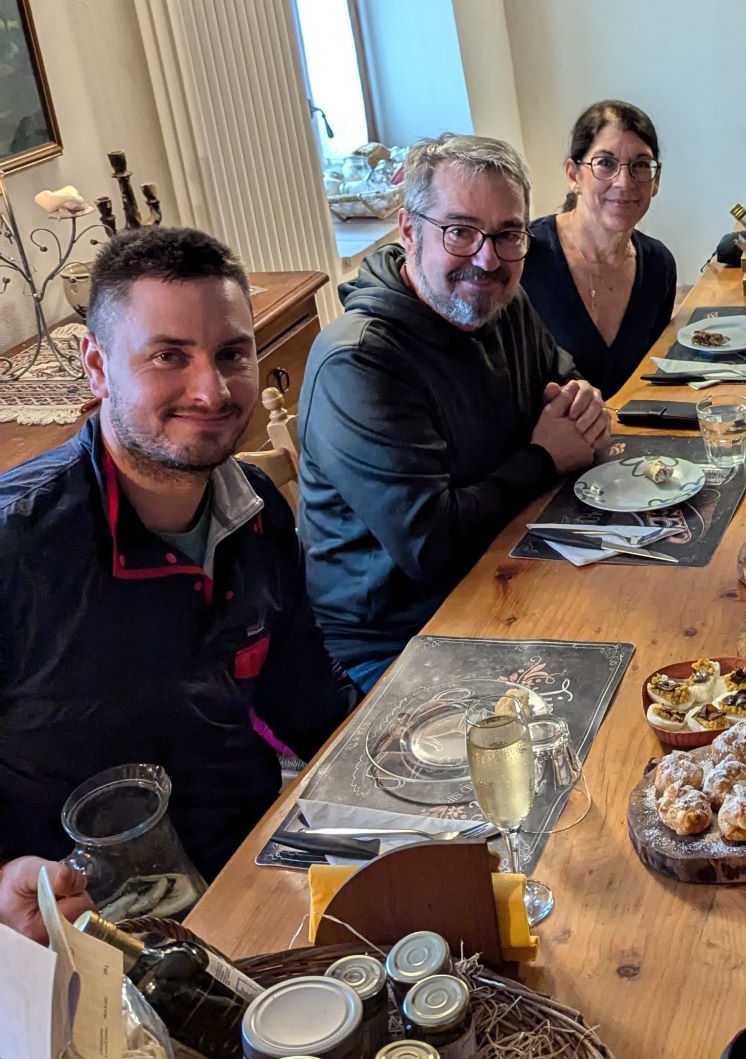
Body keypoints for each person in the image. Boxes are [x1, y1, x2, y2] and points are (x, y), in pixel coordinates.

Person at [0, 227, 354, 941]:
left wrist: (407, 748)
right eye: (169, 355)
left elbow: (305, 697)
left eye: (232, 353)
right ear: (96, 366)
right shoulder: (19, 544)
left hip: (251, 872)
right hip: (78, 925)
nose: (212, 389)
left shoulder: (254, 505)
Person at [298, 134, 609, 691]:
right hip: (400, 639)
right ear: (410, 231)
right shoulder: (360, 361)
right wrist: (543, 457)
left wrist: (582, 401)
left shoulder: (504, 302)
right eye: (460, 231)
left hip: (512, 573)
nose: (487, 258)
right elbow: (430, 545)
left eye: (507, 234)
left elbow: (564, 378)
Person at [520, 100, 676, 398]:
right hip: (544, 441)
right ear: (572, 175)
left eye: (641, 165)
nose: (624, 182)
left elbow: (650, 382)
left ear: (656, 180)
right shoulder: (524, 256)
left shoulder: (659, 265)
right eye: (605, 163)